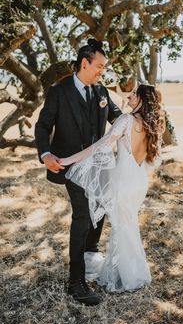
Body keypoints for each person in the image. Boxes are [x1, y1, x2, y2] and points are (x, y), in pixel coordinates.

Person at [34, 39, 122, 305]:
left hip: (98, 165)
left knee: (102, 209)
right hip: (70, 166)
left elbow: (118, 119)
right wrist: (45, 153)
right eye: (100, 66)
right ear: (85, 63)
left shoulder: (101, 92)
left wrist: (143, 116)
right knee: (82, 214)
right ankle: (76, 281)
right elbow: (42, 126)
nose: (102, 72)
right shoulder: (58, 91)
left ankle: (89, 253)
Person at [59, 84, 165, 293]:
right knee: (128, 226)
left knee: (122, 227)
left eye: (134, 93)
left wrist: (70, 159)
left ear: (143, 99)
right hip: (138, 182)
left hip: (122, 182)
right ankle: (131, 271)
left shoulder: (126, 120)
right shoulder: (153, 125)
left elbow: (102, 144)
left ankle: (127, 277)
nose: (129, 95)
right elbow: (155, 161)